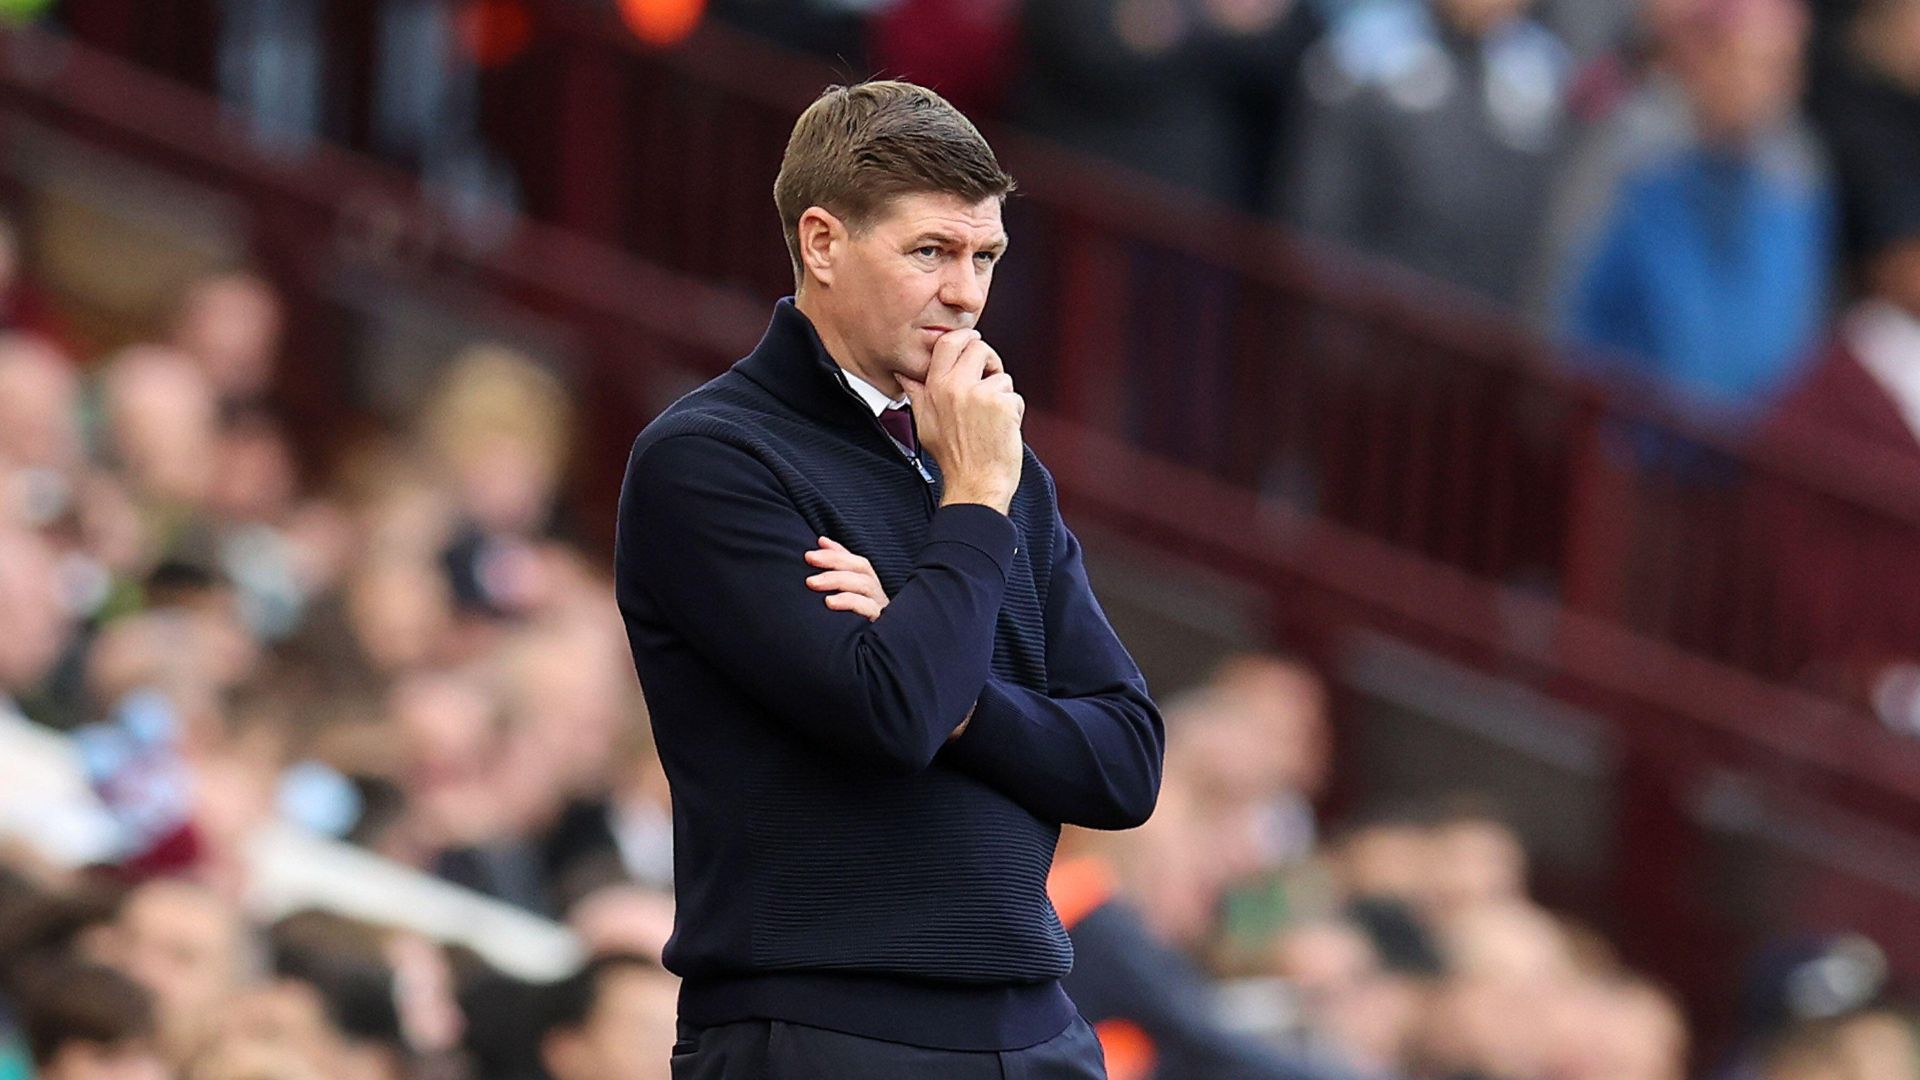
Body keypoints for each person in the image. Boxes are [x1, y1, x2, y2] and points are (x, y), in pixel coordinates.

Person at [615, 79, 1165, 1077]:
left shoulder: (996, 466)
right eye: (931, 252)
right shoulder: (709, 458)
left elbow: (1125, 763)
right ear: (823, 243)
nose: (966, 293)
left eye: (984, 257)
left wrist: (963, 699)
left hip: (1038, 1026)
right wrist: (972, 506)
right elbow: (893, 712)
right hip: (823, 1030)